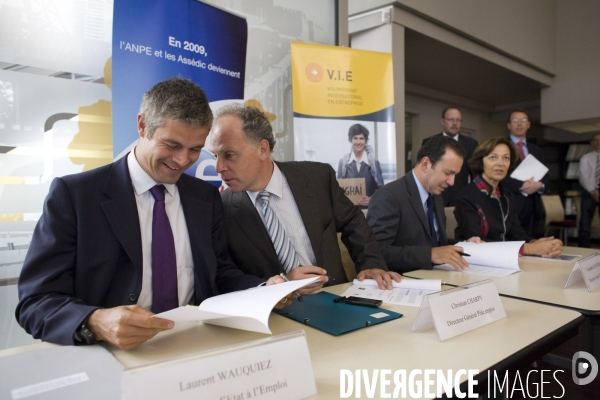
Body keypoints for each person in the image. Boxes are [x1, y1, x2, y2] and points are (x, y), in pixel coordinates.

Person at [16, 78, 287, 350]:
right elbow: (36, 302)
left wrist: (262, 289)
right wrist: (96, 321)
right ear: (143, 125)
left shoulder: (204, 198)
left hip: (197, 348)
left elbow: (218, 273)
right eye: (172, 145)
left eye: (195, 149)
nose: (182, 160)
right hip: (112, 356)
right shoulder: (75, 196)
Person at [210, 105, 401, 291]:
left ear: (262, 149)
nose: (219, 167)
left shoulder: (316, 177)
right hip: (277, 315)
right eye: (215, 155)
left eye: (229, 155)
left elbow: (353, 221)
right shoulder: (223, 208)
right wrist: (279, 286)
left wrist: (370, 263)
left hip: (334, 301)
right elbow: (226, 274)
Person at [367, 135, 481, 273]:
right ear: (426, 164)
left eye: (455, 175)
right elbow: (376, 252)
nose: (452, 182)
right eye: (448, 173)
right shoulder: (389, 196)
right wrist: (430, 255)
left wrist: (464, 246)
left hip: (436, 278)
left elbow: (434, 243)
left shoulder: (436, 193)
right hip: (404, 284)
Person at [454, 137, 563, 257]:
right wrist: (531, 248)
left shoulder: (505, 194)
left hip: (506, 261)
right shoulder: (465, 195)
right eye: (493, 157)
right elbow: (477, 243)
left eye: (506, 158)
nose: (500, 163)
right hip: (475, 264)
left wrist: (540, 244)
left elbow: (517, 234)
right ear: (481, 162)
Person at [501, 109, 548, 238]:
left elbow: (545, 176)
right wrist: (523, 184)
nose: (519, 124)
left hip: (534, 205)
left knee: (534, 242)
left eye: (523, 121)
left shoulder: (536, 149)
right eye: (515, 121)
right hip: (512, 202)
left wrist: (539, 185)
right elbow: (499, 174)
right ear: (509, 125)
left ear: (528, 124)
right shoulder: (501, 147)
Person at [422, 107, 478, 207]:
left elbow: (475, 175)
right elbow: (424, 172)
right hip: (435, 197)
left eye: (458, 120)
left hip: (460, 199)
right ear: (442, 121)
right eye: (451, 119)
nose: (455, 123)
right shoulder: (429, 142)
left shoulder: (471, 144)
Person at [337, 123, 384, 207]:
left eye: (361, 138)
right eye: (355, 138)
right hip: (350, 213)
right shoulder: (343, 163)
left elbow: (381, 189)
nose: (358, 142)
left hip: (369, 212)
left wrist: (372, 199)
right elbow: (338, 190)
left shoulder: (374, 163)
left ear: (365, 140)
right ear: (351, 140)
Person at [578, 132, 600, 247]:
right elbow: (583, 177)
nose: (598, 142)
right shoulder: (585, 158)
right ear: (592, 143)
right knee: (585, 223)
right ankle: (584, 249)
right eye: (596, 140)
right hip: (589, 193)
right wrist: (593, 190)